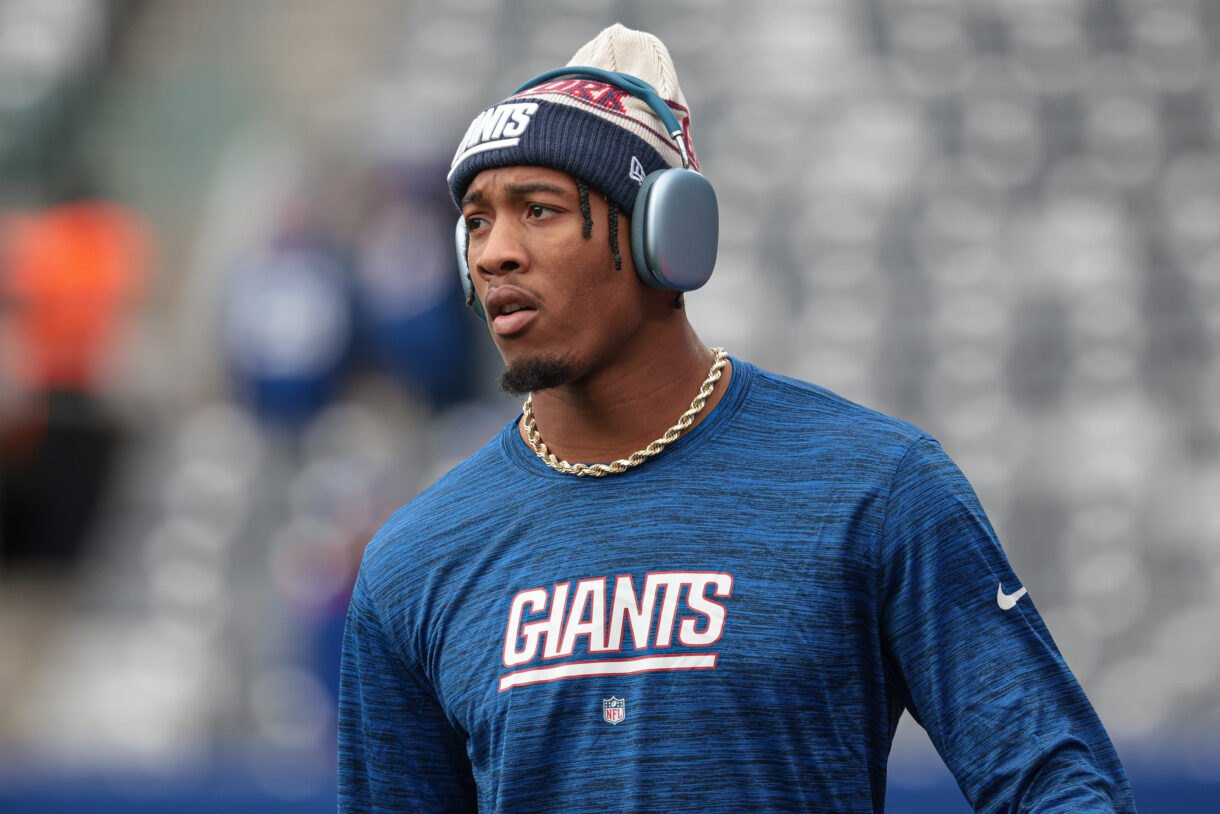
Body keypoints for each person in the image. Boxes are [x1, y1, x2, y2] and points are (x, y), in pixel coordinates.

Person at [338, 24, 1136, 813]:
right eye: (477, 221)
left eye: (538, 210)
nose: (493, 254)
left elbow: (1060, 785)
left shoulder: (872, 487)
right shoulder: (415, 562)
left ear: (663, 237)